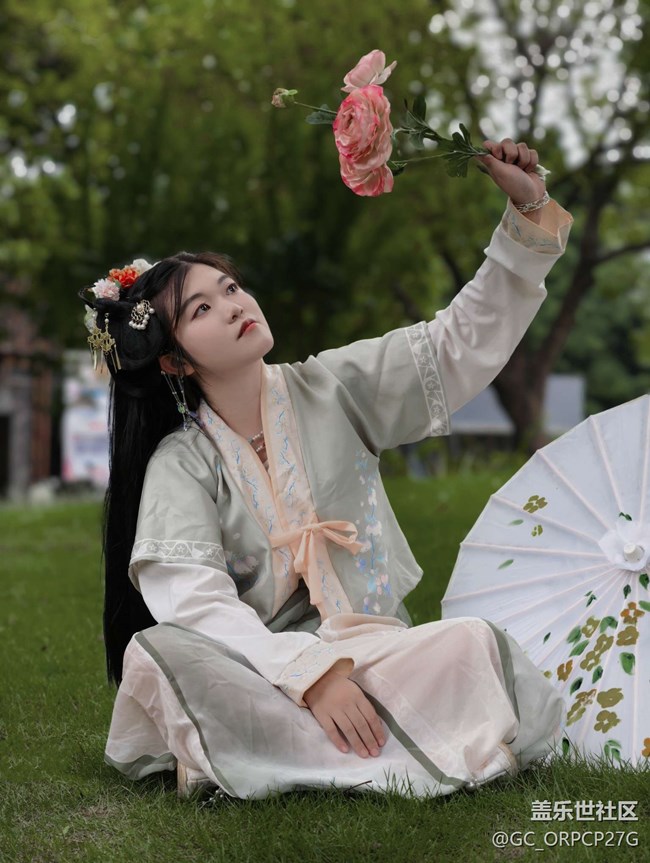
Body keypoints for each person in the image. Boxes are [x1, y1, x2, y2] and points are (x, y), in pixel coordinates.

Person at [83, 139, 573, 800]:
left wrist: (528, 213)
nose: (234, 305)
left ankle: (255, 754)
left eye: (230, 287)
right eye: (201, 309)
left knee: (471, 643)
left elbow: (455, 344)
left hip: (371, 650)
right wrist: (309, 675)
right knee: (161, 652)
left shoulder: (333, 388)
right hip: (260, 666)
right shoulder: (182, 463)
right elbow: (196, 604)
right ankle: (373, 741)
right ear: (175, 361)